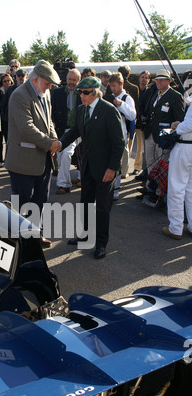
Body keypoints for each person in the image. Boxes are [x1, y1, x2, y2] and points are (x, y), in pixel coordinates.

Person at [61, 76, 125, 259]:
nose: (82, 95)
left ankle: (101, 243)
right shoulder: (81, 110)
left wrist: (112, 168)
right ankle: (85, 234)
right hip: (88, 165)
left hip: (106, 168)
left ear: (96, 92)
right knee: (85, 202)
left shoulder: (109, 110)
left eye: (86, 92)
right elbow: (74, 131)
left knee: (103, 207)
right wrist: (59, 143)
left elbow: (118, 143)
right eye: (80, 92)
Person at [5, 59, 61, 248]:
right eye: (47, 83)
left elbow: (48, 122)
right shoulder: (20, 95)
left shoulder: (44, 93)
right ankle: (20, 241)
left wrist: (53, 141)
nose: (49, 87)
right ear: (36, 79)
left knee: (40, 200)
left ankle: (35, 235)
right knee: (22, 203)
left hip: (42, 159)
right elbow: (26, 128)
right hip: (23, 161)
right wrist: (49, 144)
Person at [144, 69, 184, 174]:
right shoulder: (156, 94)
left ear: (168, 81)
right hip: (150, 133)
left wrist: (173, 126)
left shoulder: (175, 96)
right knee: (149, 161)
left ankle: (159, 190)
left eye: (162, 80)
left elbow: (180, 118)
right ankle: (150, 186)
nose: (159, 83)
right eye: (157, 80)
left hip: (163, 136)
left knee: (161, 162)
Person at [162, 100, 192, 240]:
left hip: (185, 146)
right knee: (190, 189)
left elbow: (190, 123)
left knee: (177, 188)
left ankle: (175, 228)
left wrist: (177, 126)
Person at [51, 68, 82, 194]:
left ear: (78, 81)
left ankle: (63, 185)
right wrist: (51, 122)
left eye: (74, 80)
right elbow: (51, 110)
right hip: (59, 129)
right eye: (70, 79)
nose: (71, 82)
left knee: (66, 154)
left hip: (75, 131)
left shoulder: (82, 94)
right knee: (60, 155)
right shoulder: (57, 92)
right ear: (66, 79)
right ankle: (65, 182)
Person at [106, 72, 136, 193]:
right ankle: (109, 187)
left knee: (116, 161)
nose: (113, 88)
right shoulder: (109, 96)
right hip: (108, 132)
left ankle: (116, 190)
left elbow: (132, 115)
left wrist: (121, 104)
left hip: (121, 132)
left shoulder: (127, 98)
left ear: (121, 84)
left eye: (114, 85)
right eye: (111, 86)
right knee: (108, 160)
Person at [132, 70, 151, 175]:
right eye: (142, 77)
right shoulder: (134, 89)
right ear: (139, 78)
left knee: (140, 146)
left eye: (146, 77)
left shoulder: (149, 91)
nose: (144, 79)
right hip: (131, 120)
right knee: (128, 145)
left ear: (148, 80)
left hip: (141, 123)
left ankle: (137, 167)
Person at [0, 73, 14, 165]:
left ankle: (8, 159)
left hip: (9, 119)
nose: (7, 83)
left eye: (8, 80)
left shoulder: (13, 90)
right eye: (4, 81)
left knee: (8, 140)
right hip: (0, 119)